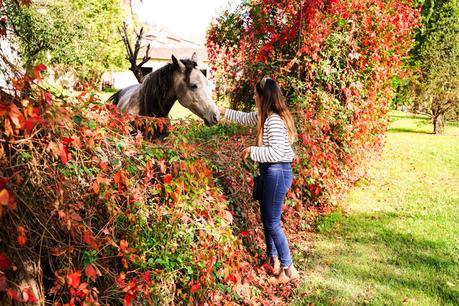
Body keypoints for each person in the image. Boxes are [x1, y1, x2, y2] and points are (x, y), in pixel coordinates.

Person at [219, 77, 299, 284]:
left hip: (276, 172)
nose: (254, 97)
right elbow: (246, 118)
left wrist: (252, 150)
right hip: (271, 172)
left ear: (263, 96)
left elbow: (278, 152)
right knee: (268, 220)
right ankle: (274, 261)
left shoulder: (273, 120)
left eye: (256, 94)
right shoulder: (267, 116)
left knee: (272, 223)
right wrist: (223, 112)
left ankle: (288, 268)